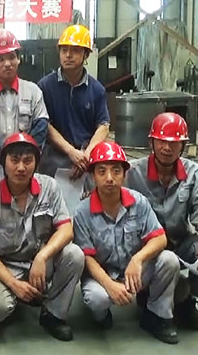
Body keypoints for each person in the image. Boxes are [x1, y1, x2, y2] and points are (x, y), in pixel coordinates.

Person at [0, 133, 83, 341]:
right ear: (4, 162)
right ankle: (2, 293)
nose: (21, 167)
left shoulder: (49, 187)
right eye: (14, 160)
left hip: (40, 261)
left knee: (74, 254)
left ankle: (53, 314)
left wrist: (43, 256)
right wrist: (13, 284)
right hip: (6, 265)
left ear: (36, 163)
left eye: (28, 160)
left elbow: (66, 229)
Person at [74, 141, 180, 344]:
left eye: (116, 171)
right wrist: (110, 285)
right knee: (97, 299)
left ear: (124, 175)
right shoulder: (82, 212)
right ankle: (101, 316)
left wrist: (137, 260)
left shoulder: (138, 202)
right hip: (103, 276)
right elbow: (86, 257)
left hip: (135, 273)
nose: (109, 178)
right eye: (102, 171)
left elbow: (160, 238)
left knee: (169, 260)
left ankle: (156, 315)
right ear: (93, 176)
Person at [126, 112, 198, 330]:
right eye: (161, 141)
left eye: (174, 143)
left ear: (183, 146)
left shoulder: (194, 173)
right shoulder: (132, 173)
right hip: (145, 249)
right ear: (151, 142)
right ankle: (150, 298)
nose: (167, 148)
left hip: (179, 244)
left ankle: (186, 301)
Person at [0, 29, 49, 193]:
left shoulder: (33, 92)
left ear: (18, 59)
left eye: (12, 57)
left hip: (25, 175)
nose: (7, 63)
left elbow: (40, 129)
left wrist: (21, 161)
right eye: (0, 59)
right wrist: (9, 159)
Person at [37, 25, 110, 180]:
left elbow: (103, 126)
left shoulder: (97, 89)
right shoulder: (45, 87)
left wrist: (87, 154)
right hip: (53, 160)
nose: (68, 55)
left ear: (86, 54)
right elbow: (45, 124)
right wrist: (71, 152)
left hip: (85, 160)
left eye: (75, 50)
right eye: (64, 50)